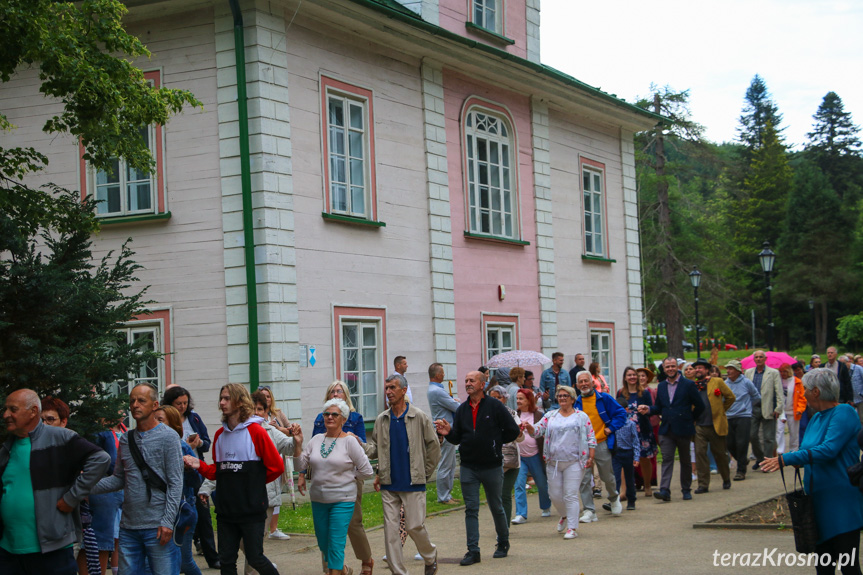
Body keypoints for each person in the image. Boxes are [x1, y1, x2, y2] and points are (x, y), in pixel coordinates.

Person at [761, 369, 863, 575]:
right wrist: (798, 459)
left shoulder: (844, 412)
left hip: (841, 503)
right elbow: (808, 450)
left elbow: (828, 450)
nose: (802, 392)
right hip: (818, 502)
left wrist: (787, 459)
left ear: (816, 391)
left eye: (805, 388)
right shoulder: (816, 417)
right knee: (823, 567)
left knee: (849, 567)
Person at [0, 390, 110, 575]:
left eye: (13, 409)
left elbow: (100, 459)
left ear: (33, 411)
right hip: (9, 551)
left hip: (52, 551)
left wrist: (71, 498)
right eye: (5, 409)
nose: (6, 415)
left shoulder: (60, 437)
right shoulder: (6, 449)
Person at [183, 384, 284, 575]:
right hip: (226, 512)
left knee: (255, 558)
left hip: (251, 510)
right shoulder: (221, 435)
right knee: (227, 561)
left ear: (240, 401)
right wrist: (199, 465)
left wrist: (253, 484)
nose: (221, 402)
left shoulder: (257, 432)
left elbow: (276, 467)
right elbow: (218, 472)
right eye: (221, 398)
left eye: (227, 398)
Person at [91, 384, 183, 575]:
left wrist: (167, 521)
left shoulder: (169, 437)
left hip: (158, 527)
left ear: (155, 405)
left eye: (141, 400)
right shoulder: (126, 439)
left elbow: (176, 483)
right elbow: (118, 479)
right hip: (128, 528)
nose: (135, 405)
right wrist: (83, 486)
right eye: (132, 401)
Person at [435, 371, 521, 565]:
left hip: (491, 466)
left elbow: (513, 431)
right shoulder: (462, 410)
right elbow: (457, 437)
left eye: (471, 381)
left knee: (496, 506)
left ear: (483, 385)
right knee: (471, 509)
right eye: (465, 381)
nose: (467, 384)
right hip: (468, 467)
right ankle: (473, 551)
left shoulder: (495, 406)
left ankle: (503, 542)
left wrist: (495, 442)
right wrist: (448, 432)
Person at [361, 374, 440, 575]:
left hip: (413, 482)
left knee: (414, 526)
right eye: (386, 388)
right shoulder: (382, 419)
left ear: (404, 390)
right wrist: (357, 443)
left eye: (392, 388)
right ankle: (398, 572)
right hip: (389, 483)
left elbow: (434, 446)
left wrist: (425, 472)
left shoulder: (419, 416)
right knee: (391, 532)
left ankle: (430, 556)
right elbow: (375, 449)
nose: (388, 392)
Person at [299, 399, 373, 575]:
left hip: (343, 500)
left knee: (336, 544)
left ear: (343, 419)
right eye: (326, 414)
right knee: (324, 544)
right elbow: (299, 465)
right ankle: (344, 570)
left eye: (334, 414)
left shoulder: (350, 442)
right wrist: (297, 445)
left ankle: (336, 571)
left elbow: (367, 471)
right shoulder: (316, 440)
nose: (330, 417)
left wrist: (348, 478)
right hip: (318, 499)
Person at [520, 386, 595, 540]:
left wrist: (590, 457)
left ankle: (572, 528)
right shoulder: (551, 415)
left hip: (574, 461)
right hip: (553, 462)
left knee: (570, 494)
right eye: (560, 396)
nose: (562, 398)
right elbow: (538, 430)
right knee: (554, 494)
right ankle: (565, 515)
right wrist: (529, 427)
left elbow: (590, 438)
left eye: (565, 396)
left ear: (573, 399)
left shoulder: (581, 417)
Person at [161, 387, 218, 568]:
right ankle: (189, 550)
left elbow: (207, 444)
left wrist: (198, 443)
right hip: (176, 476)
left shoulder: (193, 417)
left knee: (203, 515)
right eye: (179, 404)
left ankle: (212, 556)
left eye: (185, 403)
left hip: (195, 469)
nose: (183, 407)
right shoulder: (164, 419)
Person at [638, 356, 705, 501]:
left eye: (673, 366)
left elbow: (700, 405)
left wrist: (690, 418)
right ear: (664, 368)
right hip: (666, 429)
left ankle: (686, 489)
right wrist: (648, 409)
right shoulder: (661, 386)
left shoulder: (688, 385)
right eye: (667, 367)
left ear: (677, 367)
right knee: (667, 459)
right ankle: (665, 490)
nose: (670, 369)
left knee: (685, 460)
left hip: (684, 428)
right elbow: (659, 407)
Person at [153, 405, 202, 575]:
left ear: (173, 425)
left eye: (160, 420)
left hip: (183, 511)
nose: (155, 424)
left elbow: (197, 481)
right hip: (159, 511)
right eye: (154, 419)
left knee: (184, 561)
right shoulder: (150, 446)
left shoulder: (182, 447)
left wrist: (188, 469)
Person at [573, 371, 626, 522]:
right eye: (581, 382)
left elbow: (621, 413)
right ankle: (589, 510)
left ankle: (614, 498)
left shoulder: (604, 398)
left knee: (607, 476)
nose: (584, 384)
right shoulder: (576, 402)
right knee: (584, 479)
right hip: (583, 446)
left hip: (601, 442)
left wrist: (611, 428)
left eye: (586, 381)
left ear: (592, 383)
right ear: (577, 385)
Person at [690, 358, 735, 493]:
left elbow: (731, 397)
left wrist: (721, 410)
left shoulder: (717, 382)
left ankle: (726, 478)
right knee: (699, 454)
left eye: (700, 368)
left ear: (707, 369)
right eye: (696, 368)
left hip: (716, 425)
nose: (698, 370)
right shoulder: (692, 385)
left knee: (720, 454)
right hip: (699, 426)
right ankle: (703, 484)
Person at [256, 385, 295, 540]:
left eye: (268, 396)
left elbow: (290, 430)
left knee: (275, 494)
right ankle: (266, 532)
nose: (266, 398)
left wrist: (277, 428)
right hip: (262, 463)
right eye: (262, 396)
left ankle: (273, 528)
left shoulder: (277, 413)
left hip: (278, 456)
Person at [511, 389, 551, 525]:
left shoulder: (539, 415)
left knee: (541, 483)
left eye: (521, 398)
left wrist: (529, 428)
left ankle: (546, 506)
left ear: (529, 400)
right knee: (519, 484)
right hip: (519, 456)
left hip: (535, 455)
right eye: (517, 398)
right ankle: (521, 514)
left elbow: (544, 431)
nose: (518, 401)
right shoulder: (515, 415)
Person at [616, 367, 657, 499]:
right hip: (626, 431)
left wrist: (645, 409)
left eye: (634, 375)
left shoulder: (644, 393)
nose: (632, 377)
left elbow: (651, 409)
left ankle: (647, 485)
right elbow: (617, 409)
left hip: (642, 429)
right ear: (625, 378)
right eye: (629, 375)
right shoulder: (620, 392)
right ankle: (624, 490)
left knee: (644, 458)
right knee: (624, 459)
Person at [486, 385, 523, 525]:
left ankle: (504, 526)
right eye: (492, 398)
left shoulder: (512, 414)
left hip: (511, 460)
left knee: (505, 494)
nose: (495, 400)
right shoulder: (485, 415)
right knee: (493, 495)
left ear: (505, 399)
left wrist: (519, 433)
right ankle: (500, 524)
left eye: (498, 397)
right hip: (491, 460)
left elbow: (520, 438)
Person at [426, 364, 461, 506]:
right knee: (445, 464)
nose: (444, 375)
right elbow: (456, 407)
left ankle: (447, 494)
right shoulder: (436, 391)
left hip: (447, 428)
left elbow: (450, 404)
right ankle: (443, 496)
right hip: (444, 430)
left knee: (450, 463)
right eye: (442, 373)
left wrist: (453, 401)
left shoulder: (436, 390)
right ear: (437, 375)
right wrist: (456, 402)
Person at [745, 350, 783, 471]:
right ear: (754, 359)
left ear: (765, 359)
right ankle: (760, 458)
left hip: (768, 407)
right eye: (756, 357)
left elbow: (779, 391)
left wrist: (779, 408)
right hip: (752, 408)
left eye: (761, 357)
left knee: (768, 437)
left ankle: (767, 461)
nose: (759, 359)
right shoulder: (749, 372)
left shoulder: (773, 373)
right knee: (752, 435)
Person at [722, 359, 760, 481]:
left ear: (738, 371)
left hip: (744, 416)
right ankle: (742, 460)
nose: (728, 371)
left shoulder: (746, 382)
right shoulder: (725, 384)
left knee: (741, 443)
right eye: (727, 368)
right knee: (729, 443)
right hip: (728, 416)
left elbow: (756, 396)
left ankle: (741, 471)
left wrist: (747, 407)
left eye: (731, 368)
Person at [776, 363, 806, 454]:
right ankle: (780, 451)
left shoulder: (796, 381)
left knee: (794, 432)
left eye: (784, 371)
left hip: (793, 410)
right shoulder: (777, 380)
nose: (782, 373)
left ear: (789, 371)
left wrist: (800, 409)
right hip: (781, 410)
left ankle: (794, 450)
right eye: (780, 371)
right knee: (779, 431)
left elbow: (802, 397)